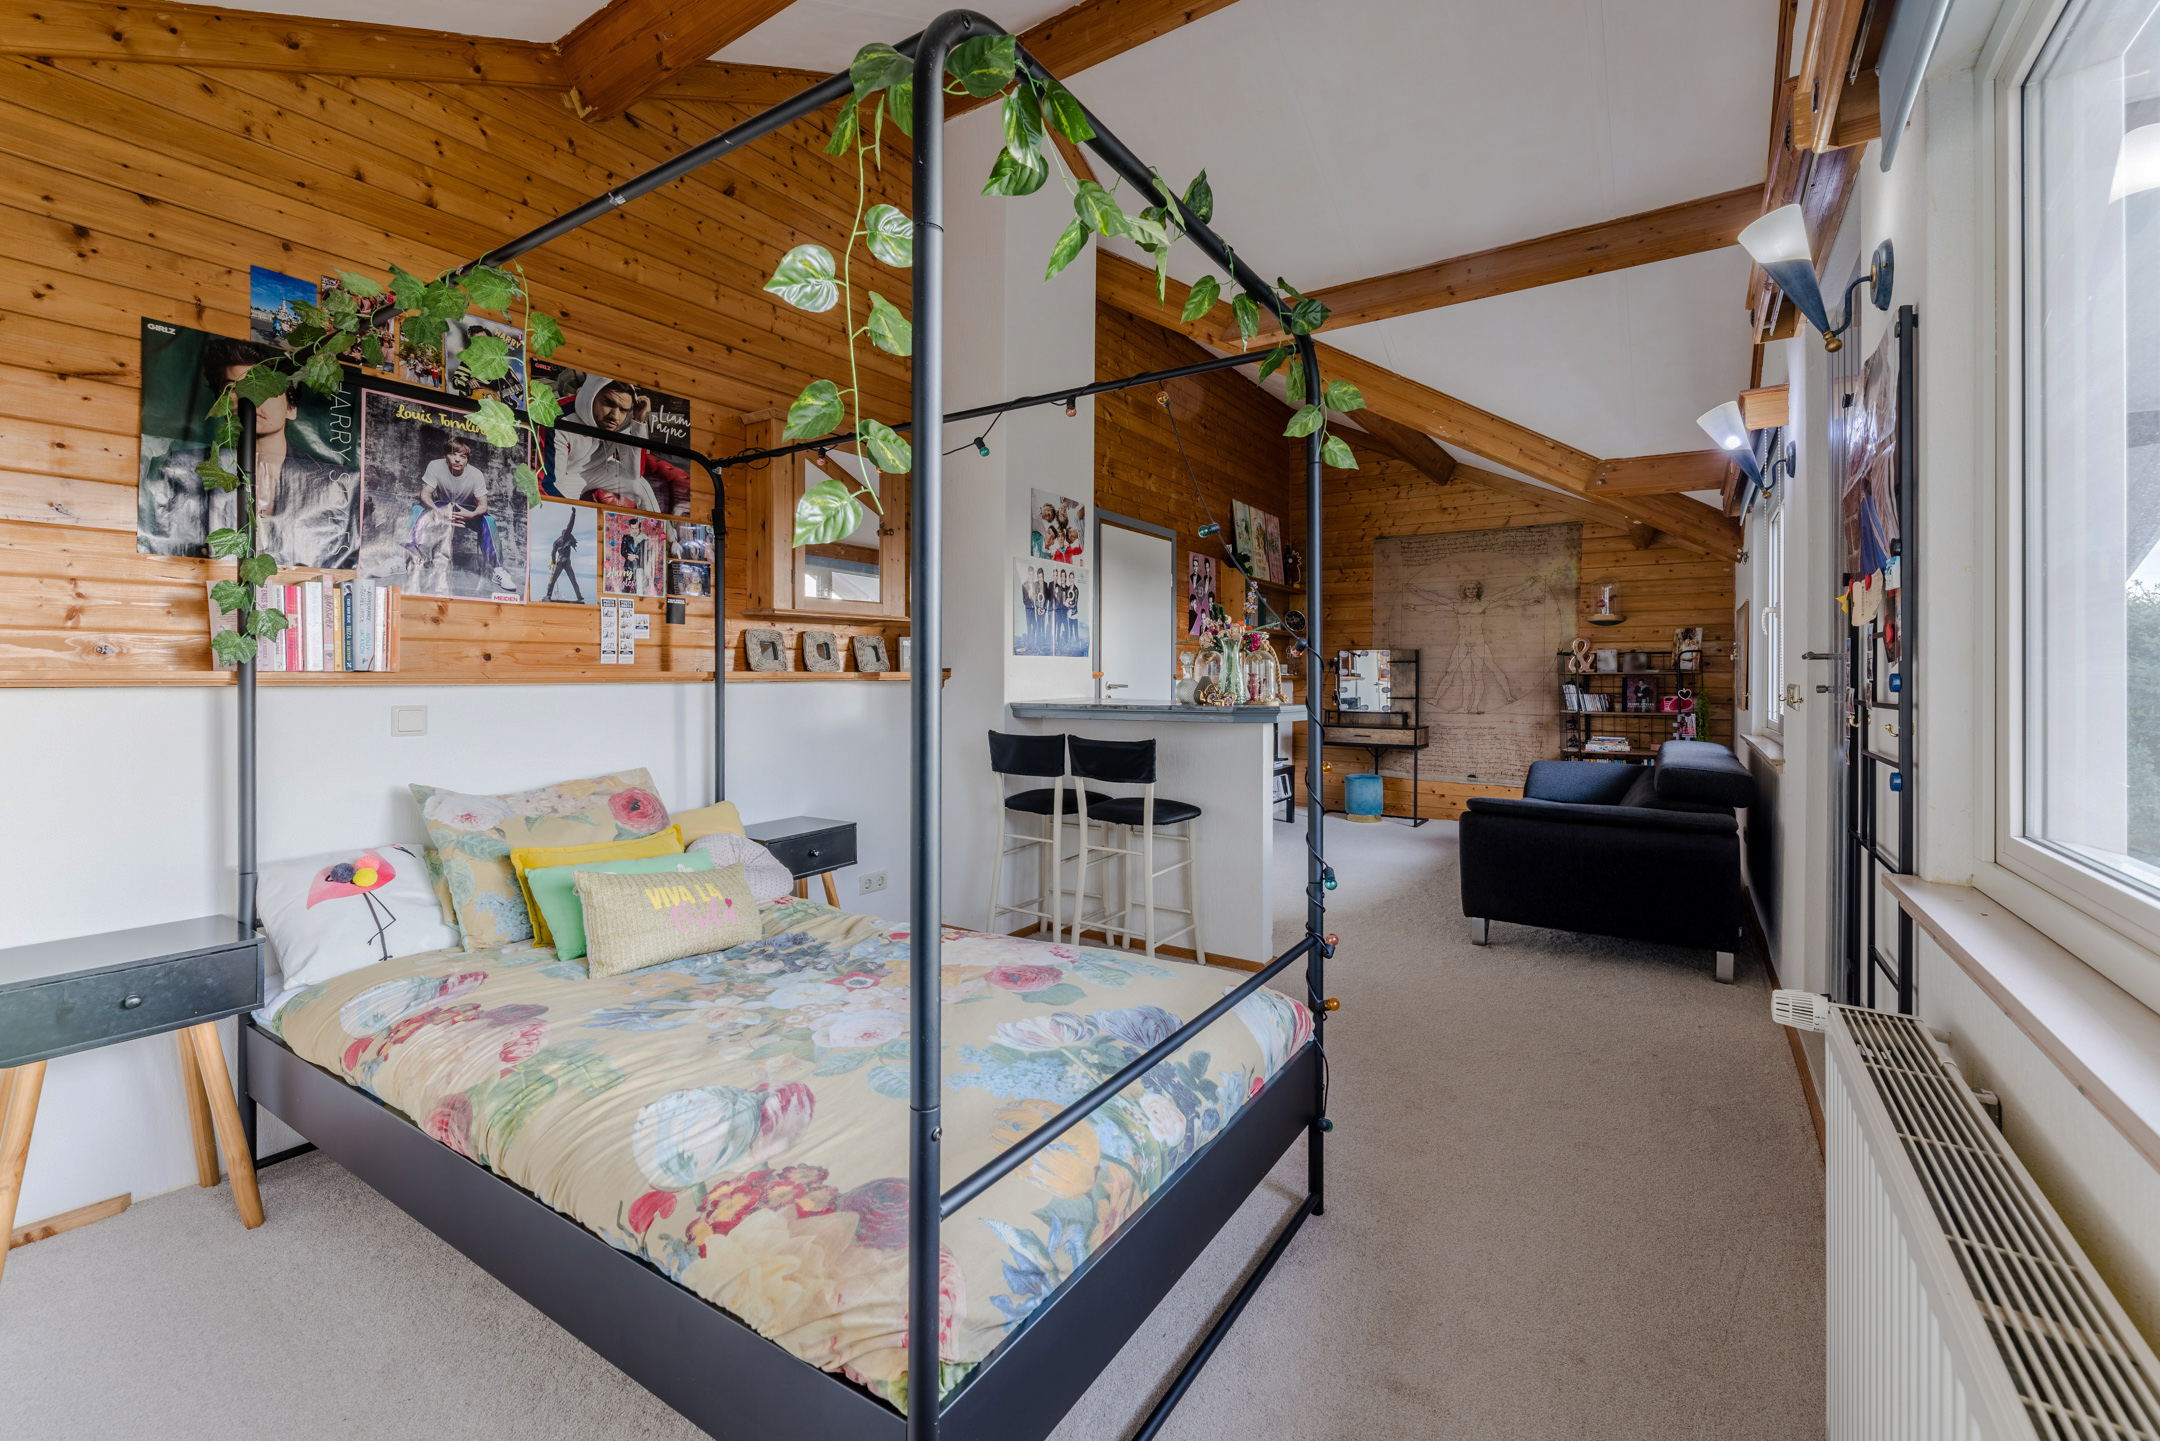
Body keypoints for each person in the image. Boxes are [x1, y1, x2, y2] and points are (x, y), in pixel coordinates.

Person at [139, 335, 359, 568]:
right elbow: (167, 550)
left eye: (267, 387)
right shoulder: (183, 469)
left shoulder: (335, 483)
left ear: (291, 407)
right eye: (233, 388)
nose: (250, 398)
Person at [547, 375, 690, 513]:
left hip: (600, 469)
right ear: (591, 395)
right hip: (568, 475)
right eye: (608, 403)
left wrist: (638, 422)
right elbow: (551, 482)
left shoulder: (625, 420)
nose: (615, 416)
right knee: (560, 507)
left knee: (640, 486)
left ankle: (661, 528)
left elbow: (633, 473)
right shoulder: (557, 417)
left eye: (623, 410)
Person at [405, 435, 514, 598]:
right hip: (442, 506)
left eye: (462, 456)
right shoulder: (435, 466)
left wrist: (472, 514)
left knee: (488, 520)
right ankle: (401, 560)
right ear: (445, 456)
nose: (457, 459)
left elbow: (483, 505)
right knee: (417, 510)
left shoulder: (476, 474)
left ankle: (498, 570)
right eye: (452, 454)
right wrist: (438, 511)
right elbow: (425, 493)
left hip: (467, 510)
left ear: (467, 460)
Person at [543, 508, 584, 603]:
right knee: (573, 580)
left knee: (553, 580)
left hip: (559, 561)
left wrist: (553, 561)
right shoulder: (566, 537)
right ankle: (579, 596)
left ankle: (548, 595)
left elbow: (553, 552)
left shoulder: (556, 542)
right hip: (566, 561)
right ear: (565, 534)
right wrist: (573, 514)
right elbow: (570, 525)